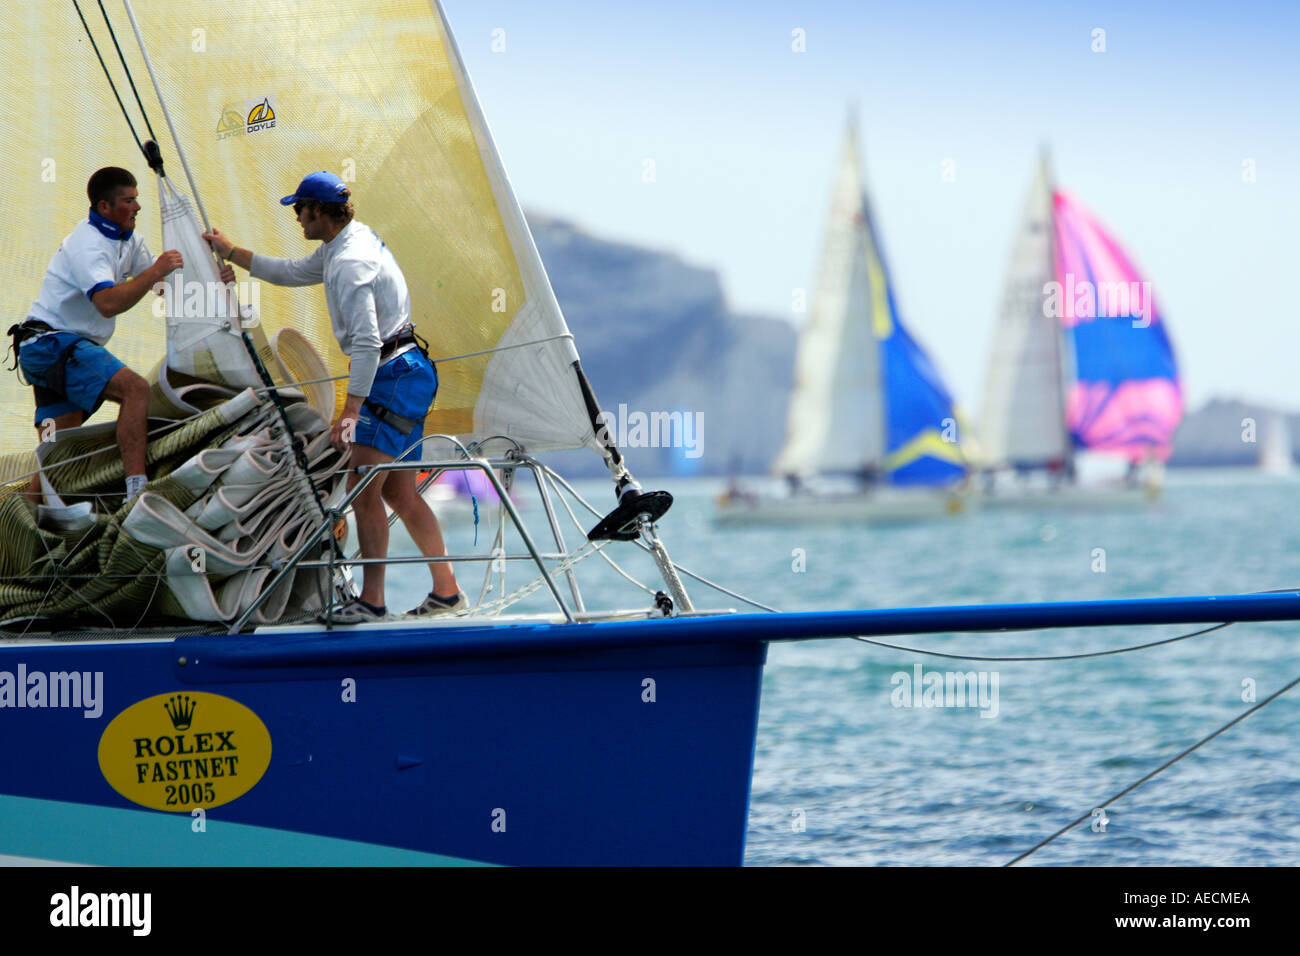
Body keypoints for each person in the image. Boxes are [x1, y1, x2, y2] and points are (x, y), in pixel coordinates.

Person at [203, 171, 465, 624]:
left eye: (298, 210)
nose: (296, 218)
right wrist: (232, 253)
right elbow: (290, 272)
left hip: (392, 373)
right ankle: (446, 591)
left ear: (319, 211)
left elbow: (365, 344)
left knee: (364, 488)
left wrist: (351, 410)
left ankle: (373, 602)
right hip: (408, 369)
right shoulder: (345, 243)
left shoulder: (348, 263)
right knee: (400, 492)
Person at [11, 166, 207, 504]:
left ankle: (19, 526)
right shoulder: (88, 243)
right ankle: (136, 491)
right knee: (136, 389)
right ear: (104, 207)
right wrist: (156, 270)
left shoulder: (129, 238)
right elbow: (107, 303)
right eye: (129, 201)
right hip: (50, 344)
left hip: (51, 348)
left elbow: (162, 287)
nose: (138, 207)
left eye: (137, 199)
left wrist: (212, 275)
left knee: (59, 450)